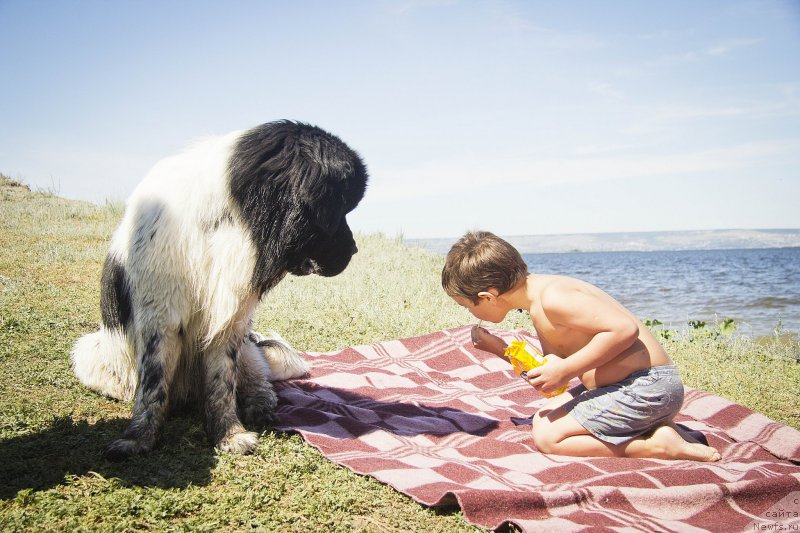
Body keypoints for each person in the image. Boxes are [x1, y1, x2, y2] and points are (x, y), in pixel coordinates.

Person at [442, 230, 720, 462]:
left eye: (467, 306)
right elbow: (551, 377)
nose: (469, 313)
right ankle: (651, 428)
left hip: (647, 388)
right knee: (545, 413)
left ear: (488, 297)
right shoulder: (538, 302)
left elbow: (624, 329)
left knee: (548, 437)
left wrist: (566, 368)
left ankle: (658, 446)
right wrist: (500, 349)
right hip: (623, 390)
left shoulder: (554, 298)